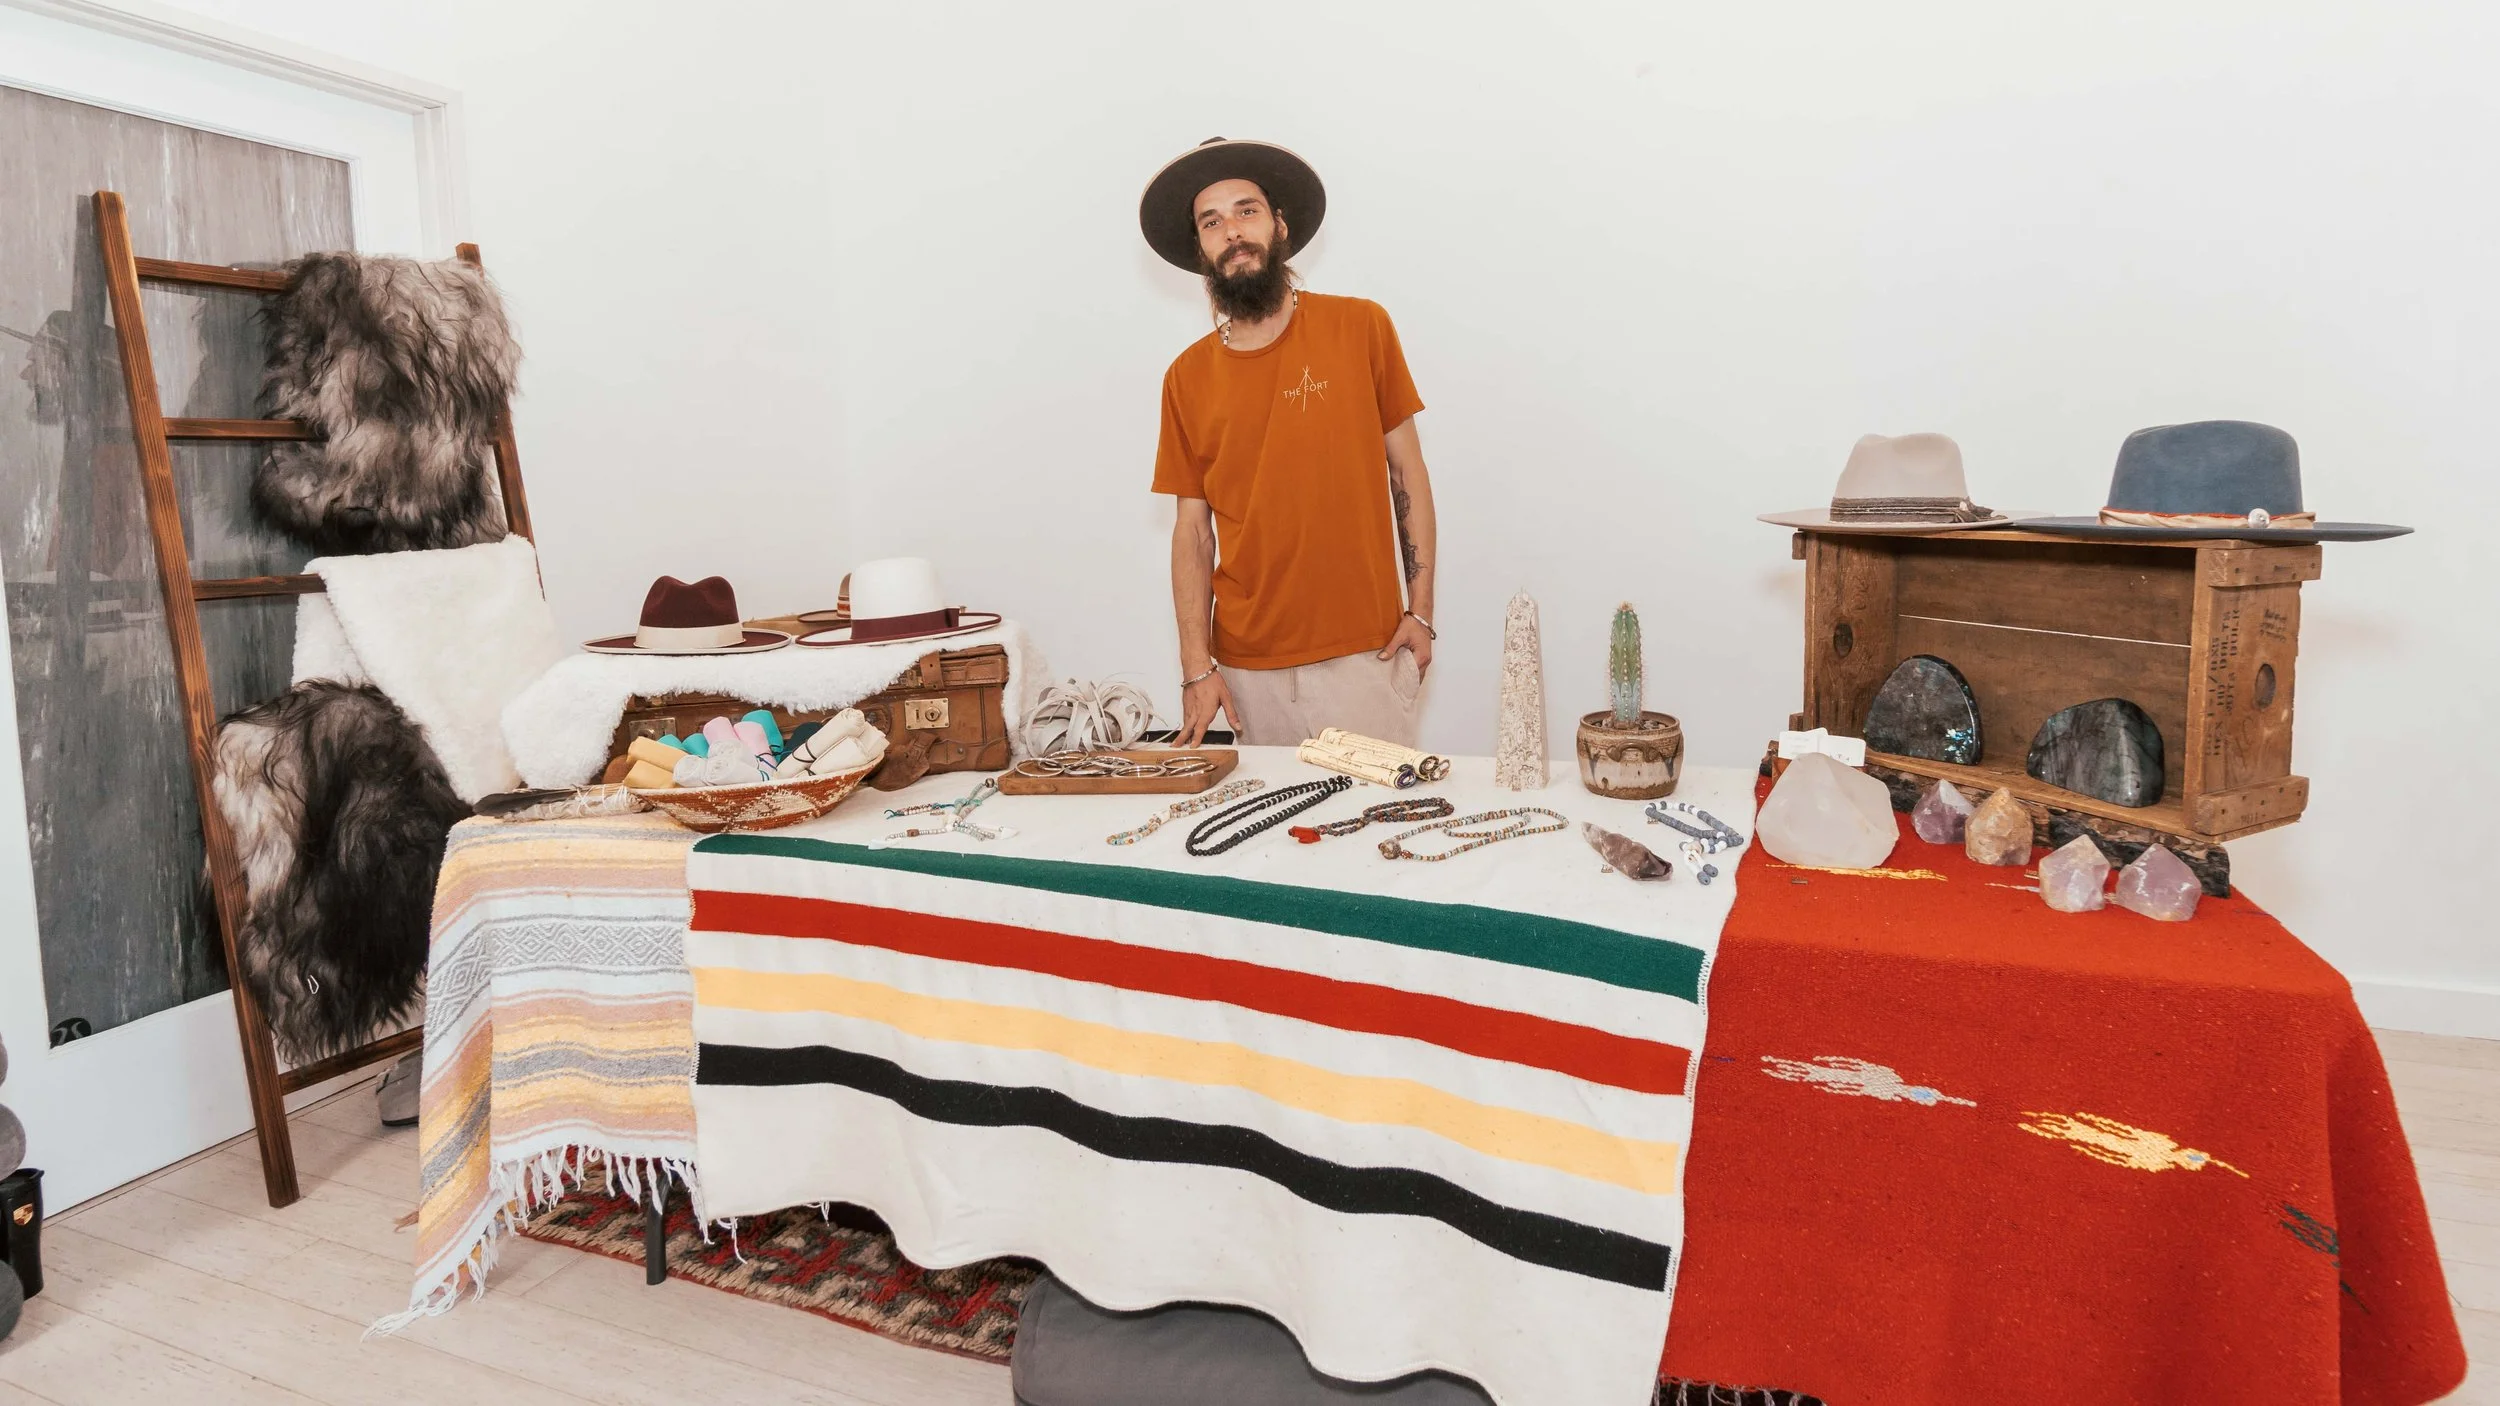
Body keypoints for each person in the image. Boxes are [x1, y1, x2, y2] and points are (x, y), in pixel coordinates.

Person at [1139, 138, 1440, 748]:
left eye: (1246, 211)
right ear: (1201, 249)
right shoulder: (1185, 378)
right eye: (1211, 221)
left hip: (1366, 656)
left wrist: (1421, 611)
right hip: (1247, 674)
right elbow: (1192, 531)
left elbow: (1407, 473)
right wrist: (1197, 666)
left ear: (1279, 225)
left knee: (1382, 810)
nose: (1232, 231)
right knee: (1266, 816)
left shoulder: (1361, 327)